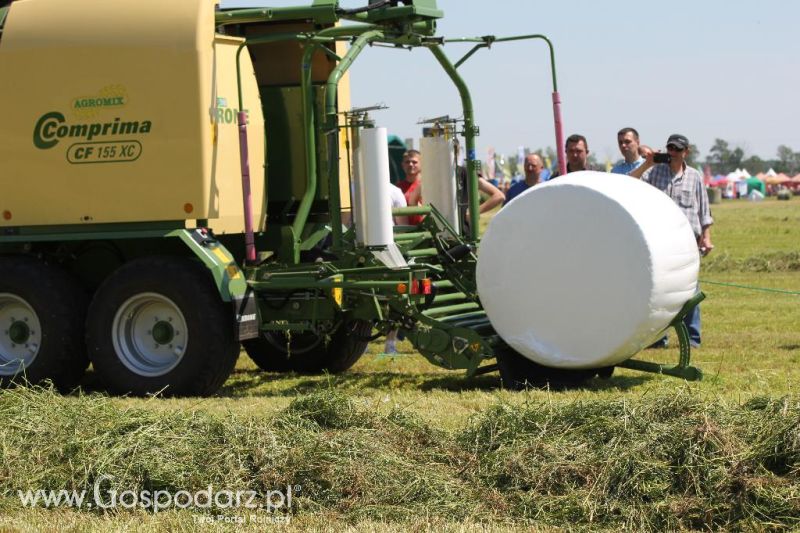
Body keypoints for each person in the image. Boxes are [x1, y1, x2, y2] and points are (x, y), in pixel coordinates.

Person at [630, 133, 714, 347]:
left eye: (678, 149)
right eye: (670, 148)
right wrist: (647, 163)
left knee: (691, 290)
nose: (673, 153)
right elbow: (630, 182)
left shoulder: (694, 176)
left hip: (689, 242)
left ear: (686, 152)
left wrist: (707, 237)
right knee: (662, 290)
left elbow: (704, 210)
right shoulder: (654, 172)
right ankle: (659, 338)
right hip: (661, 240)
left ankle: (693, 338)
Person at [398, 149, 424, 225]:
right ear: (402, 165)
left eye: (414, 162)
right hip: (404, 232)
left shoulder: (428, 186)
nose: (410, 164)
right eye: (407, 162)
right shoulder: (397, 188)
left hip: (423, 231)